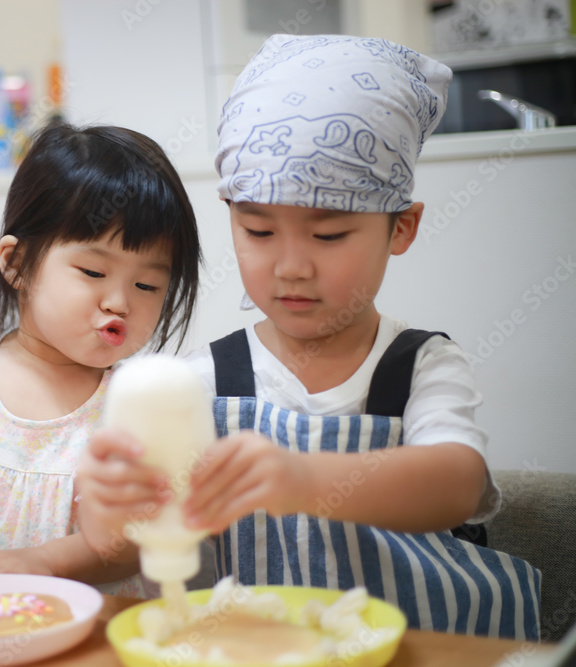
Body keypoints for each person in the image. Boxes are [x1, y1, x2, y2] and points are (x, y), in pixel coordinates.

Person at [76, 35, 540, 640]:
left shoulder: (420, 365)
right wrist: (111, 506)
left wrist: (302, 480)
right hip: (263, 647)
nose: (291, 267)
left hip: (421, 647)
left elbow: (457, 483)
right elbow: (138, 543)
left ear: (402, 227)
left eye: (328, 236)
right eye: (259, 231)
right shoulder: (201, 384)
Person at [0, 121, 201, 596]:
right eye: (93, 271)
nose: (119, 302)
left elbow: (139, 536)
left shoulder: (139, 404)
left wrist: (46, 563)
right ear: (16, 264)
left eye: (147, 285)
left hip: (95, 630)